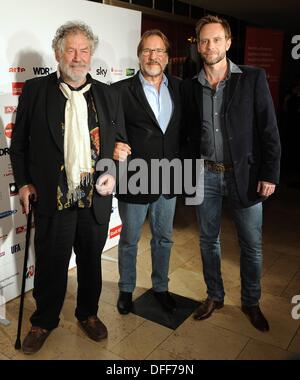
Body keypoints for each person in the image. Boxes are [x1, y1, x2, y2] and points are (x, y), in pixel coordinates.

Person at [10, 21, 123, 354]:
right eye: (70, 50)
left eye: (84, 50)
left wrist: (115, 165)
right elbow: (18, 146)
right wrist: (24, 183)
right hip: (53, 195)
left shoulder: (108, 93)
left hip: (93, 197)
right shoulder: (35, 90)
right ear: (58, 54)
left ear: (91, 55)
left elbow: (117, 140)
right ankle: (44, 320)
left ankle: (87, 314)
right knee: (50, 264)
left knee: (90, 262)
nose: (78, 57)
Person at [181, 15, 281, 332]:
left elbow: (269, 130)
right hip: (204, 175)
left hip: (247, 176)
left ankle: (251, 302)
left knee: (251, 244)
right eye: (204, 41)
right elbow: (186, 135)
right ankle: (215, 295)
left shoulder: (252, 78)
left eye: (215, 39)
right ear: (198, 46)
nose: (209, 46)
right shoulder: (190, 86)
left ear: (227, 42)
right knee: (208, 241)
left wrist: (271, 174)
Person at [112, 30, 182, 315]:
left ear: (167, 57)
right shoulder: (119, 91)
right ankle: (126, 289)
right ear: (139, 55)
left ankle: (161, 287)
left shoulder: (180, 88)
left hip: (170, 177)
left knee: (164, 237)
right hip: (135, 177)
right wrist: (113, 146)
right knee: (129, 238)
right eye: (147, 51)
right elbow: (109, 131)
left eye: (159, 51)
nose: (153, 56)